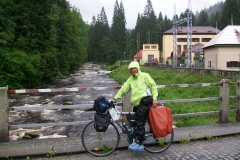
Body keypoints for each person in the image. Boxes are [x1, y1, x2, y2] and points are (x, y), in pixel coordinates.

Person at [113, 61, 158, 152]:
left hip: (145, 102)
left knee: (139, 122)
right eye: (131, 69)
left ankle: (139, 143)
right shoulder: (130, 80)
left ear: (137, 68)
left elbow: (153, 85)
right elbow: (123, 90)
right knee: (134, 122)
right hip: (137, 104)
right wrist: (114, 99)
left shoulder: (145, 76)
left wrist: (155, 99)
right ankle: (137, 137)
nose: (133, 70)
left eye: (134, 68)